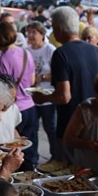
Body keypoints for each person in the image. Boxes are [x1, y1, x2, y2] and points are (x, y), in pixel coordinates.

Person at [36, 7, 98, 162]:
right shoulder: (96, 51)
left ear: (59, 29)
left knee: (68, 177)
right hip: (94, 123)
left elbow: (64, 96)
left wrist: (42, 98)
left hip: (70, 126)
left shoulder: (60, 54)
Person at [0, 22, 38, 169]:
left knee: (14, 149)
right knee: (29, 148)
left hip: (15, 109)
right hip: (30, 106)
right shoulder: (25, 53)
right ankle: (31, 175)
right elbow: (32, 80)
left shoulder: (2, 61)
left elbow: (2, 91)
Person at [27, 21, 58, 160]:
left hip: (47, 95)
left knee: (50, 128)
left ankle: (55, 155)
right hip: (31, 95)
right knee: (32, 129)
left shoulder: (50, 49)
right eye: (29, 32)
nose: (31, 35)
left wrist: (43, 77)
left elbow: (58, 73)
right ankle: (33, 157)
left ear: (42, 34)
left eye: (34, 32)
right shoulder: (27, 51)